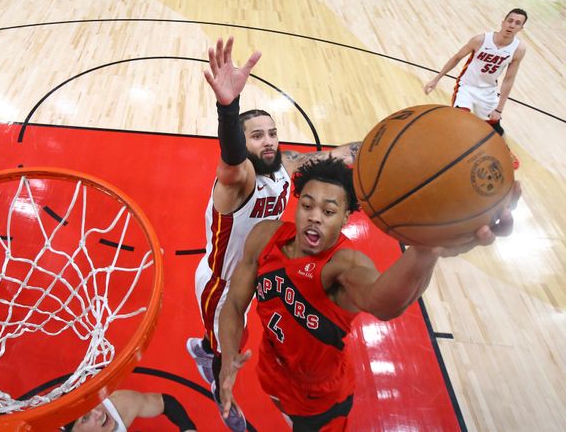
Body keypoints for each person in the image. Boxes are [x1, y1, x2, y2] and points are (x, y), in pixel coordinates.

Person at [217, 157, 520, 431]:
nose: (315, 217)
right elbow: (233, 303)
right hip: (271, 369)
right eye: (307, 205)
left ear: (346, 218)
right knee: (284, 415)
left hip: (318, 398)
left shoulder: (343, 265)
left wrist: (426, 251)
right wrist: (229, 353)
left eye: (329, 211)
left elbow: (383, 303)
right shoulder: (265, 236)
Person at [185, 37, 361, 432]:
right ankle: (214, 375)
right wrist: (228, 108)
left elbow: (336, 154)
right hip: (221, 282)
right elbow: (231, 156)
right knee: (230, 349)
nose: (267, 141)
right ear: (244, 142)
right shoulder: (237, 179)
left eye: (271, 132)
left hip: (258, 269)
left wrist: (377, 145)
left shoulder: (284, 163)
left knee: (252, 338)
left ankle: (205, 346)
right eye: (257, 135)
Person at [423, 9, 527, 168]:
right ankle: (450, 154)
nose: (512, 25)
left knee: (494, 126)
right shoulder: (481, 40)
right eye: (510, 20)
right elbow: (457, 57)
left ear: (521, 28)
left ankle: (505, 150)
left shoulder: (518, 49)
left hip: (488, 91)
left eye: (517, 23)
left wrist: (499, 109)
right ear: (503, 21)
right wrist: (436, 79)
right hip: (467, 86)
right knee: (460, 119)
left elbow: (509, 79)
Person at [61, 390, 197, 432]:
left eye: (93, 405)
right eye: (86, 418)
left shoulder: (121, 404)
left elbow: (167, 404)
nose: (99, 412)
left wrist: (188, 429)